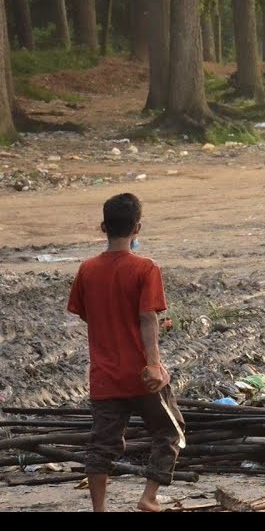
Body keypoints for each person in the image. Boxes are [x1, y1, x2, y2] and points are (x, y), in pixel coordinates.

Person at [67, 193, 185, 512]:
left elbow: (84, 311)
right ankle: (148, 497)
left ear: (103, 226)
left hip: (104, 377)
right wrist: (154, 365)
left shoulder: (87, 269)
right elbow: (148, 317)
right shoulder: (145, 268)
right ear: (138, 227)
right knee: (170, 432)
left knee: (101, 445)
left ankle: (99, 509)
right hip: (141, 376)